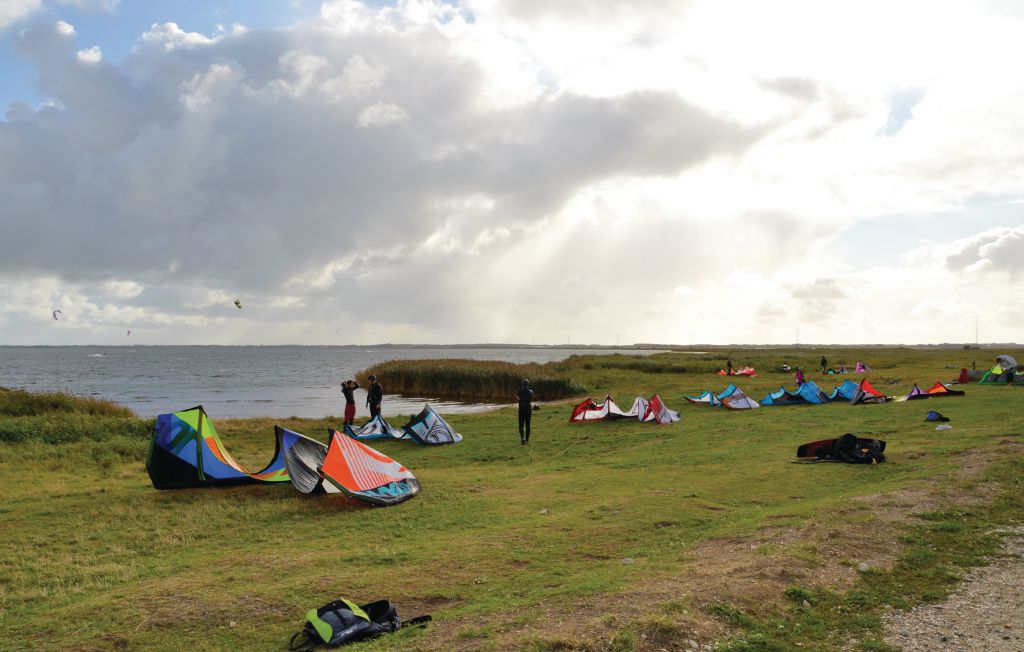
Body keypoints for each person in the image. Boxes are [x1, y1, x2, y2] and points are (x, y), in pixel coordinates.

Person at [517, 379, 534, 445]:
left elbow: (518, 398)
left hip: (521, 409)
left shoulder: (519, 391)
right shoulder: (531, 392)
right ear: (528, 384)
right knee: (528, 425)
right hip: (528, 410)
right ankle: (527, 440)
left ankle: (522, 439)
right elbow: (531, 397)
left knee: (521, 425)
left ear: (522, 384)